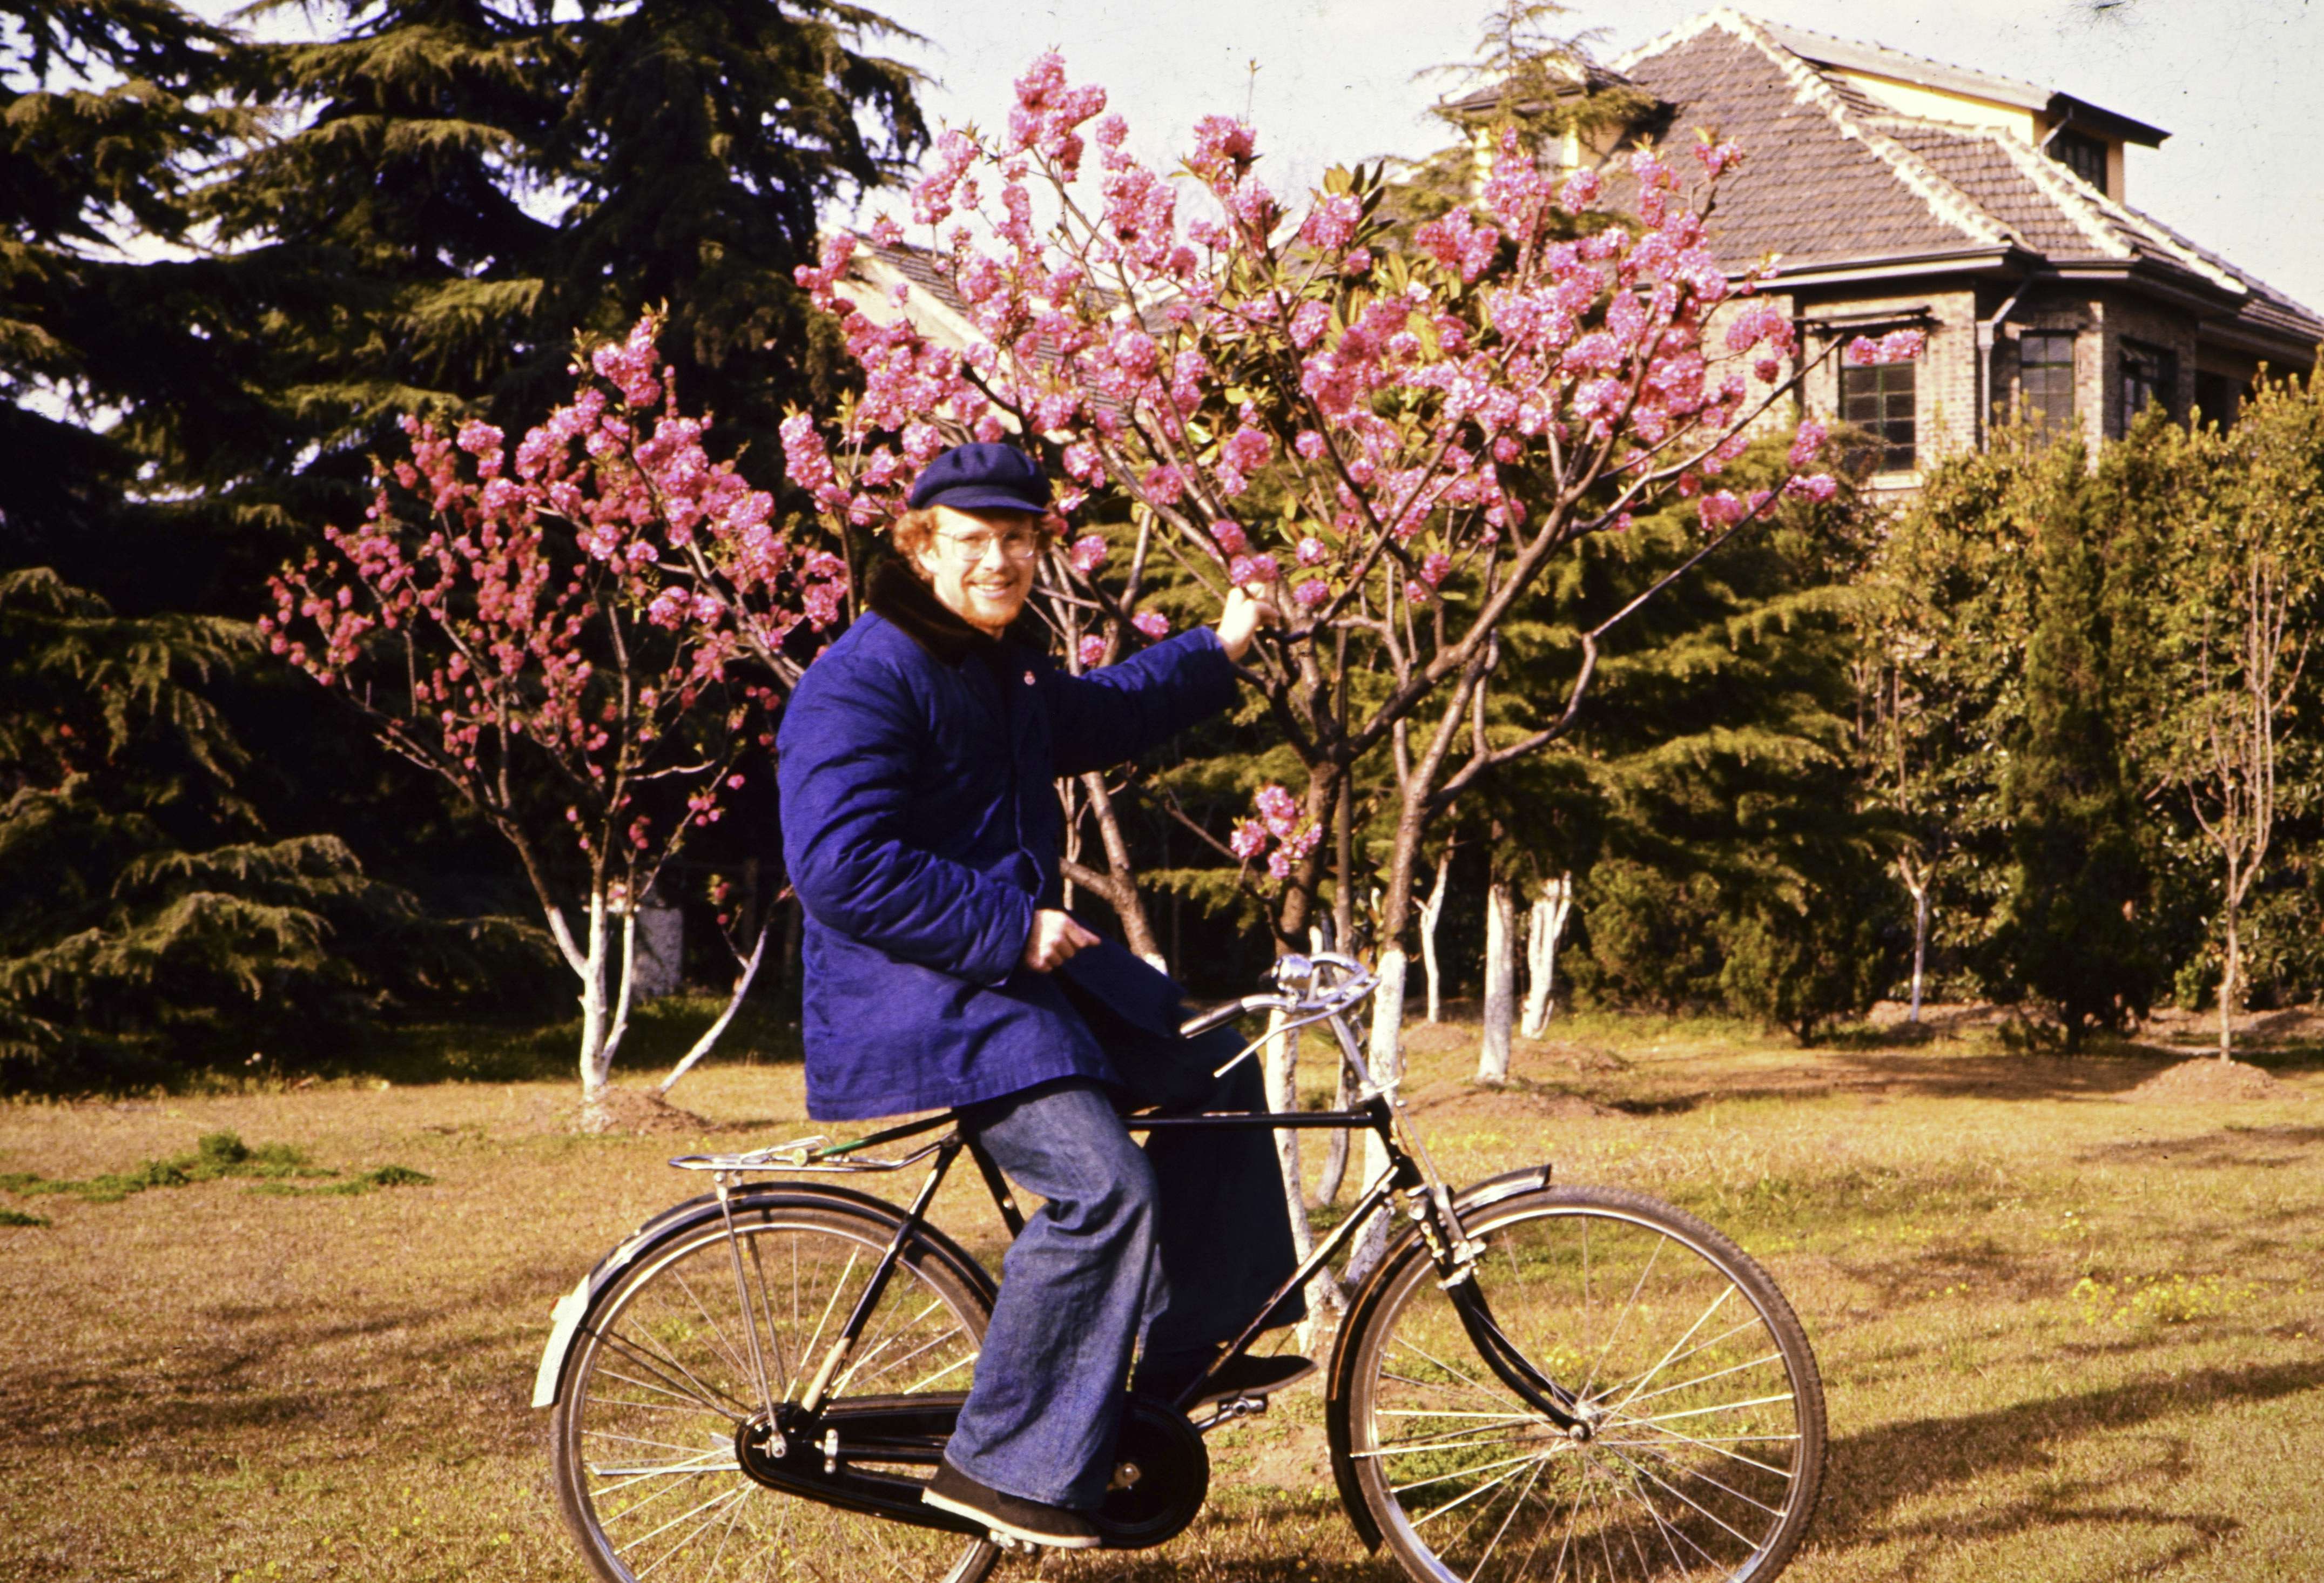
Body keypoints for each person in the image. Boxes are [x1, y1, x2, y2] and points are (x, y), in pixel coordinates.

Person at [776, 442, 1308, 1550]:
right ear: (920, 547)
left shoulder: (995, 664)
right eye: (974, 539)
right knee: (1104, 1187)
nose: (1002, 559)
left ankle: (1178, 1355)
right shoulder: (865, 677)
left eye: (1019, 537)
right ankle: (1003, 1466)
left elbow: (1096, 717)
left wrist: (1219, 648)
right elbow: (839, 865)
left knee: (1216, 1065)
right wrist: (1009, 924)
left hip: (1008, 979)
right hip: (925, 991)